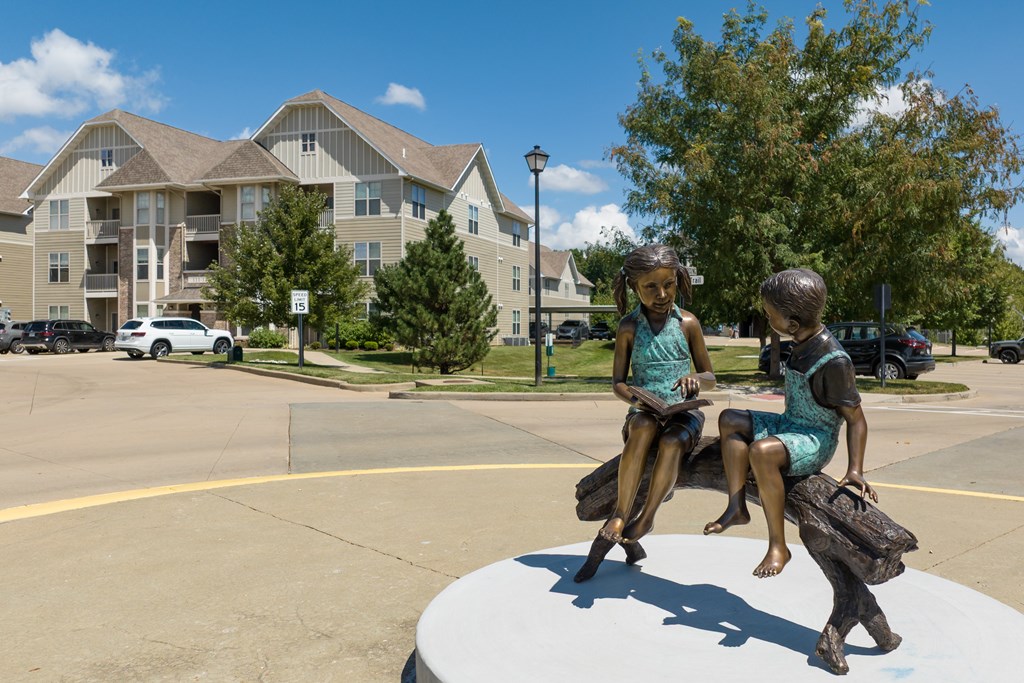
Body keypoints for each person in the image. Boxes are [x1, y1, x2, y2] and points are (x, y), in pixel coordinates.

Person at [703, 268, 876, 578]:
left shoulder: (835, 361)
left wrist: (855, 469)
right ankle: (736, 506)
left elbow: (857, 419)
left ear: (792, 323)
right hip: (790, 424)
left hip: (815, 439)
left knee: (762, 452)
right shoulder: (802, 342)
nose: (768, 320)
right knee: (729, 418)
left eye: (771, 316)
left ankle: (778, 546)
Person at [575, 246, 715, 585]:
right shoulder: (628, 327)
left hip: (684, 414)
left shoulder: (688, 324)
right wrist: (635, 398)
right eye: (650, 287)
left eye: (668, 285)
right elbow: (618, 383)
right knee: (641, 428)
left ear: (678, 281)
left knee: (672, 441)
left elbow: (710, 375)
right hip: (645, 410)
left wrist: (697, 380)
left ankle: (647, 516)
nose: (662, 294)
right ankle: (620, 516)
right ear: (633, 287)